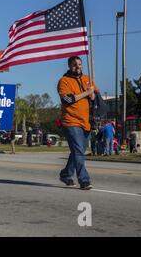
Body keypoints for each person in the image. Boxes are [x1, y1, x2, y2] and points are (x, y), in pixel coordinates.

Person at [57, 56, 98, 190]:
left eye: (80, 64)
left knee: (78, 151)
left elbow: (96, 96)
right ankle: (84, 180)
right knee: (79, 151)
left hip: (86, 122)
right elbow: (67, 100)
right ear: (69, 66)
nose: (78, 66)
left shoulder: (87, 79)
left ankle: (66, 174)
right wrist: (86, 93)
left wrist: (92, 95)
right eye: (75, 64)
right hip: (71, 121)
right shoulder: (64, 81)